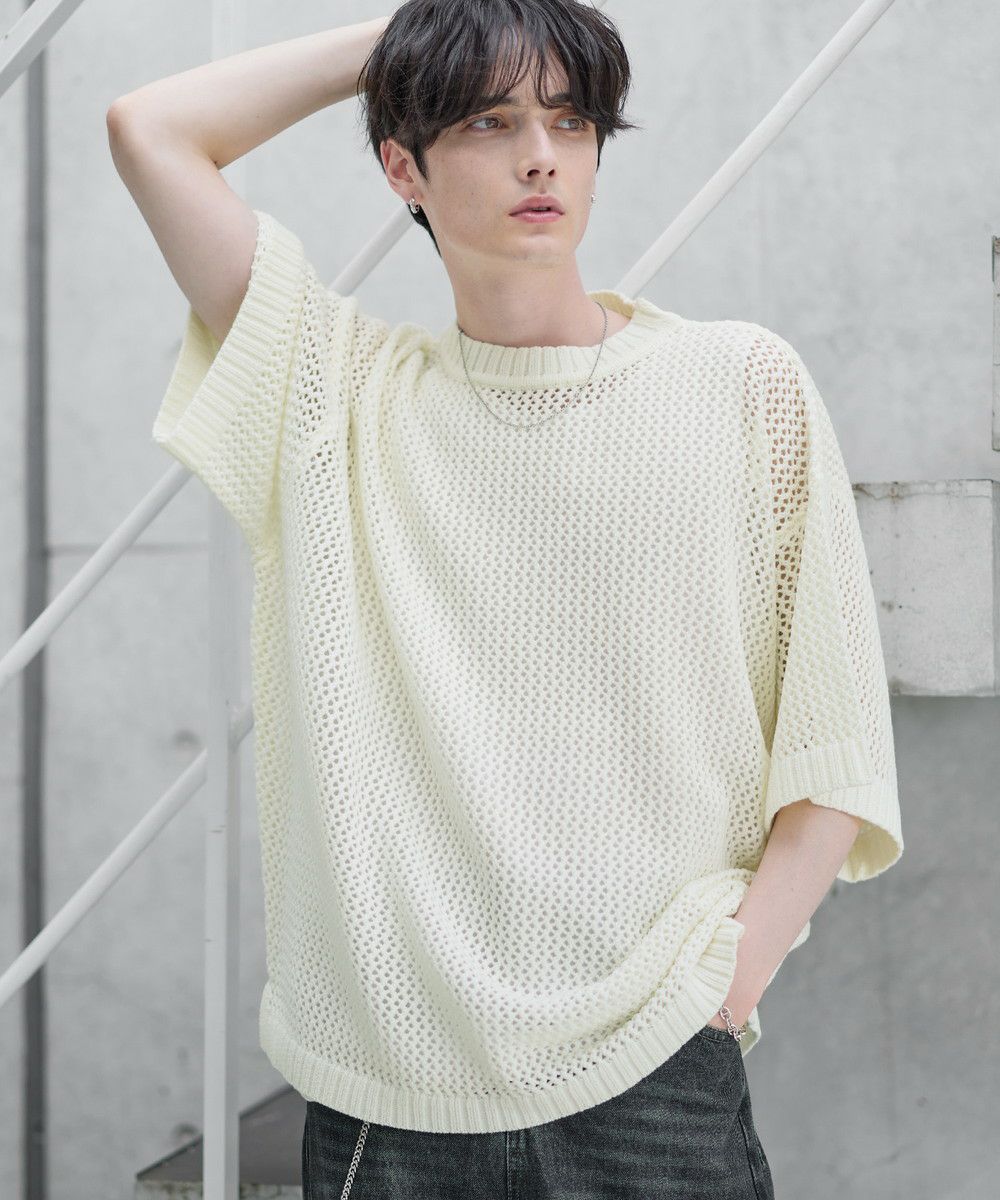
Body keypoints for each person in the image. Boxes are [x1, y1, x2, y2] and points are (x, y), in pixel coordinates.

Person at [107, 2, 904, 1196]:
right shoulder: (334, 399)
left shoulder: (738, 386)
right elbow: (151, 128)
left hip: (654, 1066)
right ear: (403, 168)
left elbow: (832, 746)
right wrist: (428, 28)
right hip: (388, 1094)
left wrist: (722, 984)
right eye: (489, 121)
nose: (540, 156)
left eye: (568, 121)